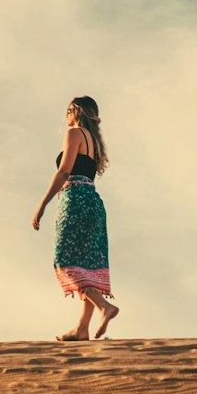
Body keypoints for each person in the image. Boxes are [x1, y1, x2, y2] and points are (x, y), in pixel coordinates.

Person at [31, 96, 119, 341]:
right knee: (87, 265)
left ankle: (104, 306)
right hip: (94, 203)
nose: (66, 116)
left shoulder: (74, 133)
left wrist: (42, 205)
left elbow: (65, 171)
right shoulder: (94, 143)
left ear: (77, 112)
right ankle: (82, 328)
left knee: (66, 261)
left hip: (75, 200)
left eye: (68, 110)